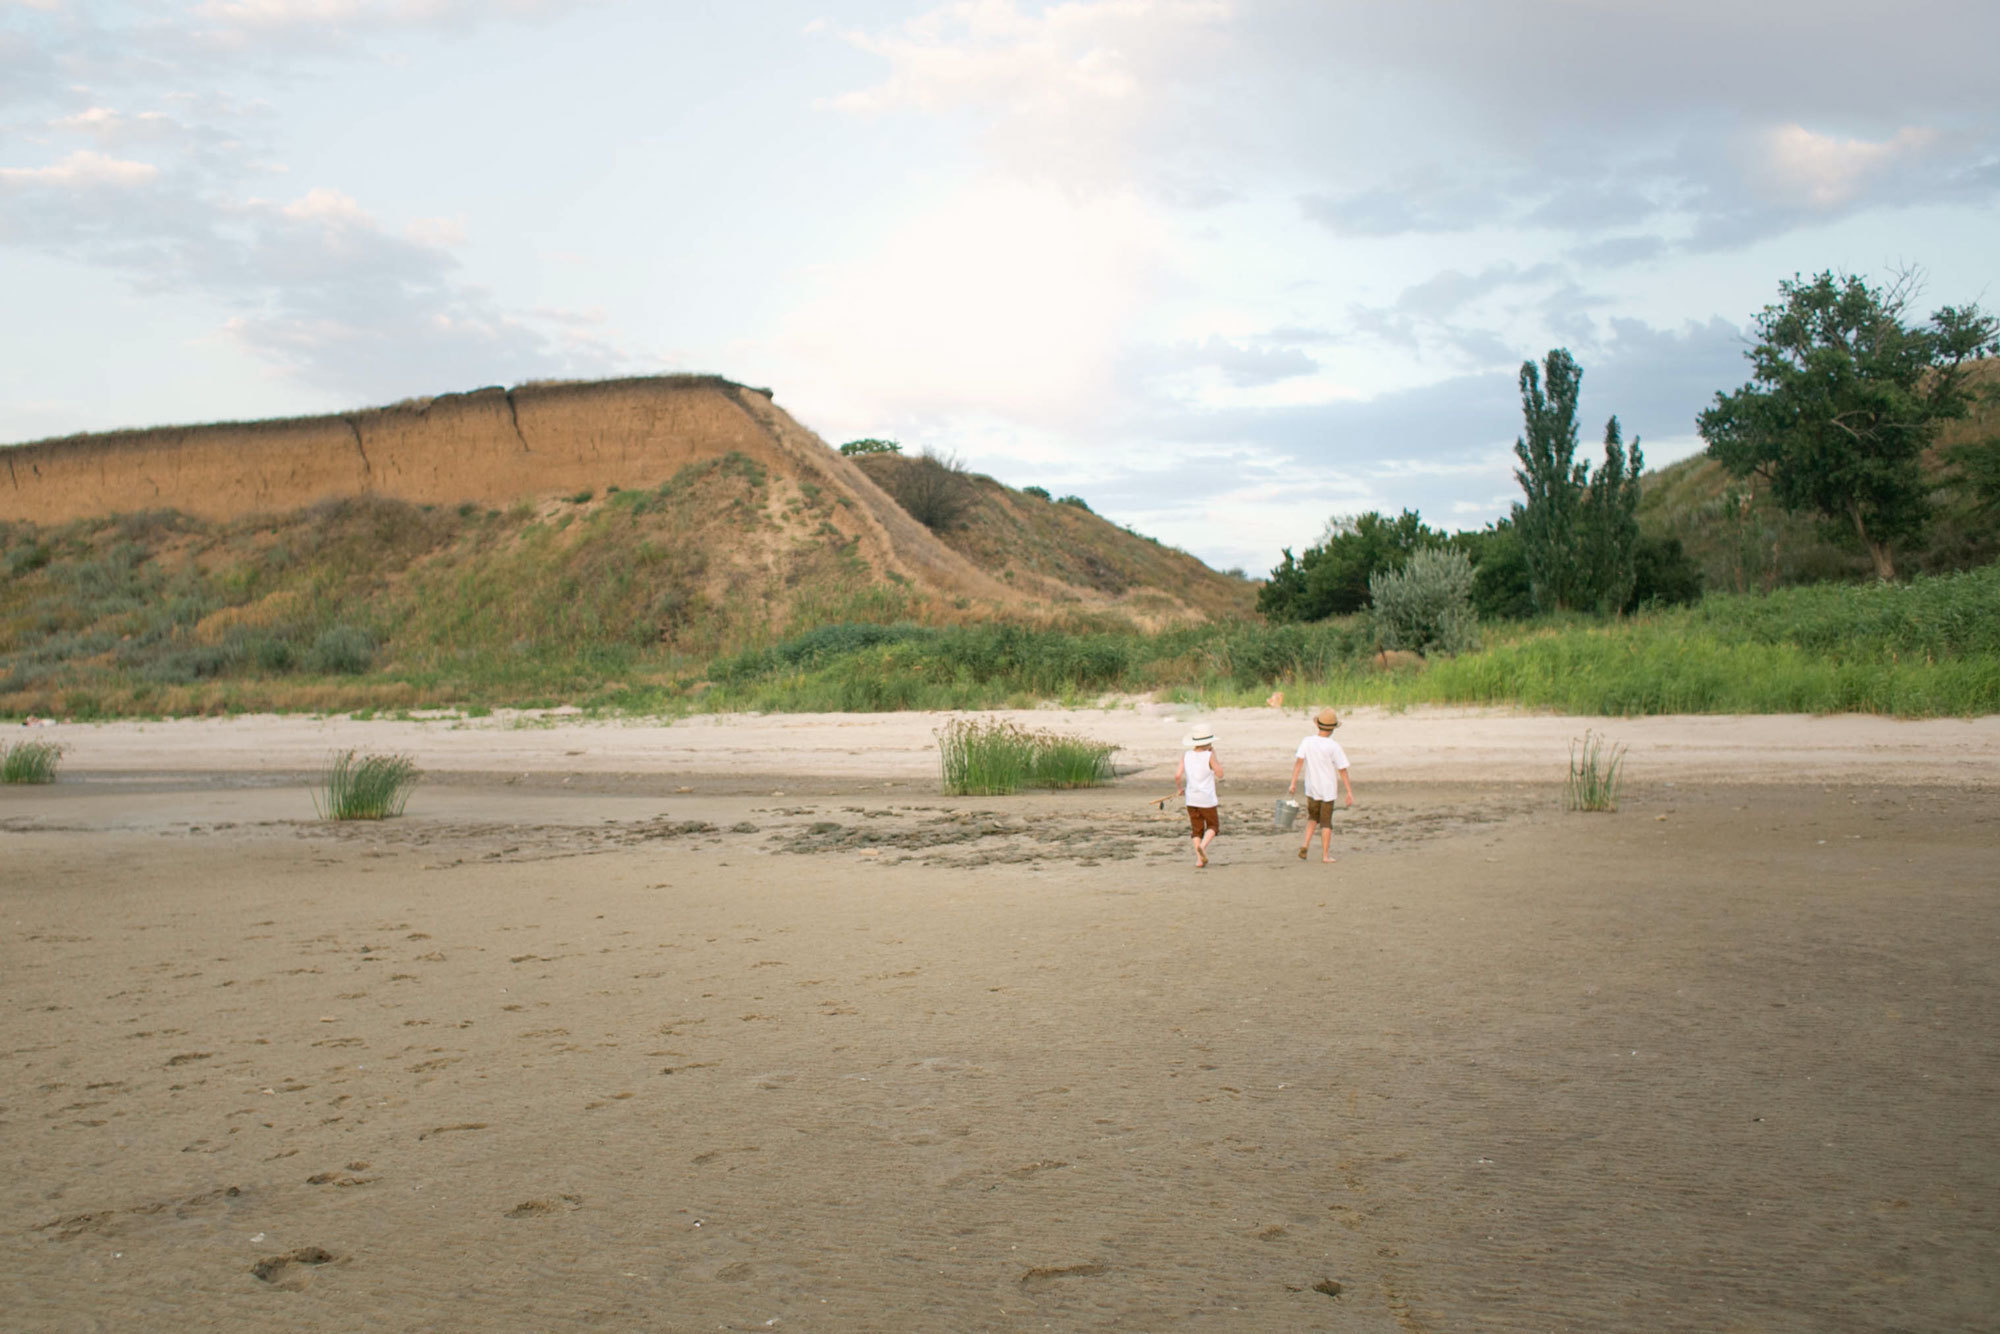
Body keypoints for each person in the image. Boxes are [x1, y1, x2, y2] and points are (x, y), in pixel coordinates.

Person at [1287, 706, 1354, 863]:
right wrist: (1349, 792)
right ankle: (1325, 855)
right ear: (1332, 729)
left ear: (1317, 724)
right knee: (1326, 823)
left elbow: (1298, 763)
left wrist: (1292, 783)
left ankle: (1305, 845)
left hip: (1312, 788)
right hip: (1328, 790)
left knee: (1312, 818)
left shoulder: (1307, 741)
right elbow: (1342, 770)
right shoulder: (1333, 746)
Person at [1175, 727, 1223, 868]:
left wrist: (1179, 789)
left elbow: (1177, 775)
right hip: (1206, 798)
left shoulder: (1186, 755)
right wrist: (1215, 756)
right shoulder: (1209, 756)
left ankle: (1199, 860)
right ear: (1208, 744)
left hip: (1191, 798)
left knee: (1196, 830)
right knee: (1213, 826)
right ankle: (1202, 847)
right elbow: (1220, 773)